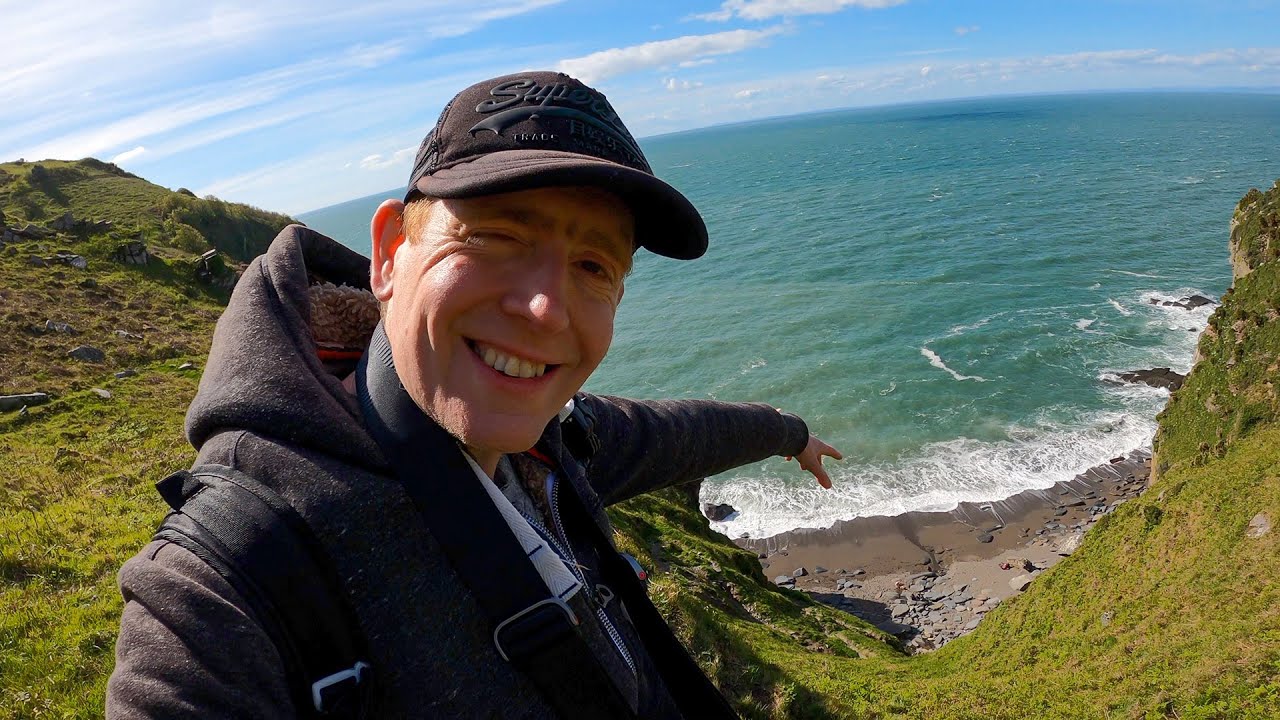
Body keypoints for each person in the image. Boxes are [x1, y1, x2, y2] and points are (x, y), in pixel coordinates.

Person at [107, 71, 841, 719]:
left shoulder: (554, 448)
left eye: (593, 265)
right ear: (392, 252)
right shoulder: (226, 584)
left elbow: (681, 435)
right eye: (495, 237)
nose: (548, 310)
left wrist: (789, 432)